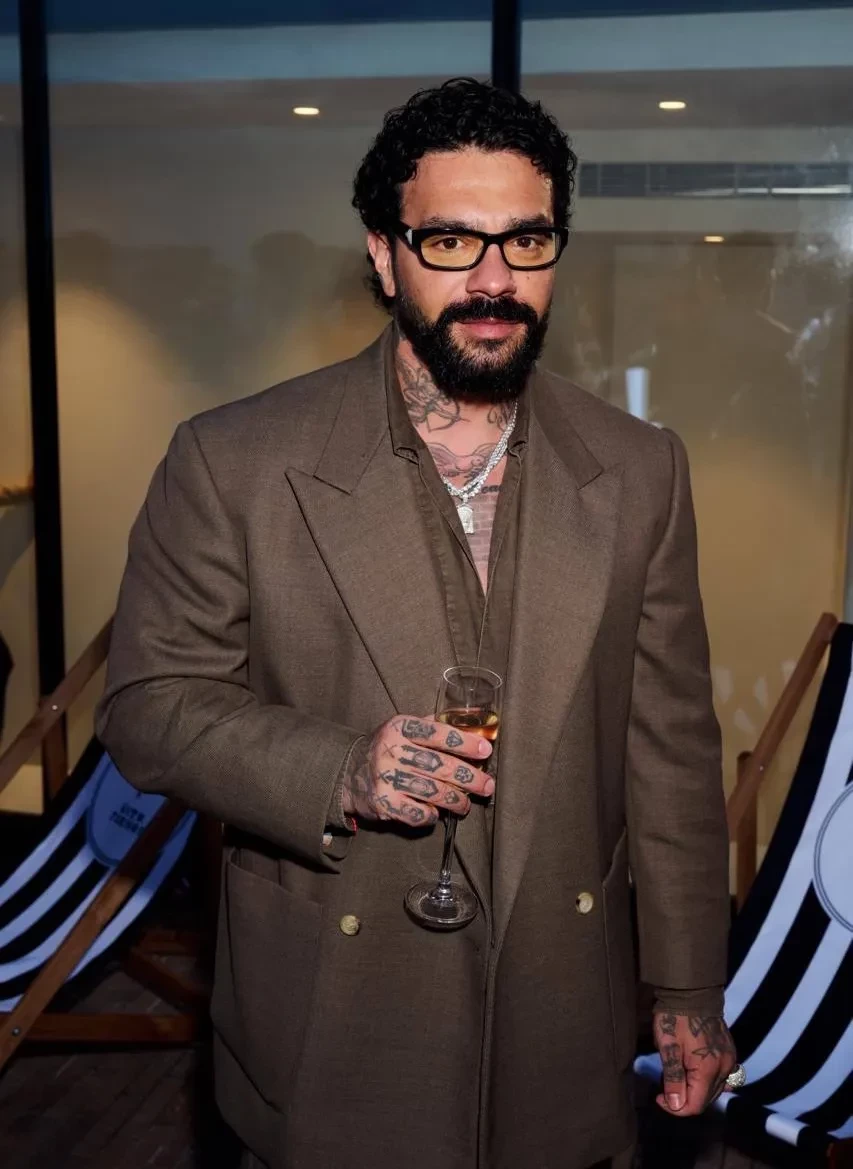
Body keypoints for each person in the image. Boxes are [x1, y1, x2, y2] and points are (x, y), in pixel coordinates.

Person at [97, 78, 737, 1169]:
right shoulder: (233, 459)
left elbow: (669, 745)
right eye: (449, 241)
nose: (493, 279)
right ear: (384, 257)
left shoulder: (640, 470)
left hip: (560, 1006)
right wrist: (339, 770)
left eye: (524, 239)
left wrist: (685, 983)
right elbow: (149, 708)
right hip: (336, 1009)